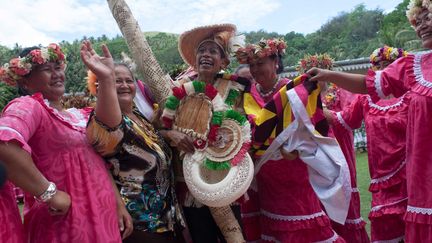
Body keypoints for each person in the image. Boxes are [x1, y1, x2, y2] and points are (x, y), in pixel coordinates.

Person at [307, 1, 432, 241]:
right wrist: (320, 85)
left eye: (428, 18)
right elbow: (362, 90)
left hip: (408, 173)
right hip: (416, 176)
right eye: (419, 20)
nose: (422, 26)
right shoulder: (412, 68)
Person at [0, 43, 132, 242]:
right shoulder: (30, 106)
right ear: (25, 81)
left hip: (103, 216)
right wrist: (49, 193)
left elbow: (111, 131)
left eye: (58, 67)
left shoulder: (79, 115)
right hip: (64, 223)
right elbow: (4, 144)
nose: (57, 74)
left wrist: (106, 78)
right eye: (46, 69)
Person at [235, 38, 348, 242]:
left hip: (295, 172)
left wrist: (298, 149)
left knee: (305, 227)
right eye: (251, 65)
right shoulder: (246, 96)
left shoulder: (296, 91)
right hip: (265, 176)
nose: (255, 69)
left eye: (260, 63)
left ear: (275, 62)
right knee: (274, 230)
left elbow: (317, 129)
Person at [160, 24, 253, 243]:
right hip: (191, 182)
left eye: (213, 51)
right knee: (203, 237)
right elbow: (157, 128)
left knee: (234, 235)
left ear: (224, 61)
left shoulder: (236, 89)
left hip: (226, 178)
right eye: (202, 51)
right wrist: (171, 134)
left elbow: (247, 127)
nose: (206, 55)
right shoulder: (179, 88)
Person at [83, 47, 186, 242]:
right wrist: (105, 77)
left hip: (166, 221)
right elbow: (112, 127)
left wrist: (166, 133)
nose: (123, 85)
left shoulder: (139, 117)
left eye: (128, 80)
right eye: (116, 80)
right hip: (139, 224)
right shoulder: (108, 121)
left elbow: (149, 144)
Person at [326, 46, 409, 243]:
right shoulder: (365, 98)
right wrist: (307, 105)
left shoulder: (413, 93)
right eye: (378, 65)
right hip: (382, 178)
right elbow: (341, 120)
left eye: (388, 65)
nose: (383, 69)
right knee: (387, 233)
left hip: (411, 174)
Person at [297, 53, 369, 243]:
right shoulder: (302, 98)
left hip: (340, 151)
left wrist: (318, 112)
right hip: (315, 159)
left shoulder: (341, 92)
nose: (313, 77)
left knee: (344, 204)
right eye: (308, 73)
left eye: (317, 72)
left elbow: (350, 120)